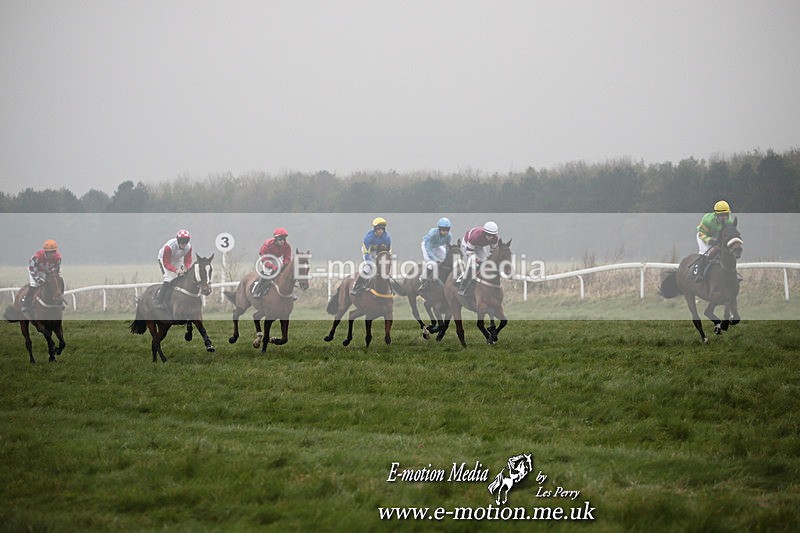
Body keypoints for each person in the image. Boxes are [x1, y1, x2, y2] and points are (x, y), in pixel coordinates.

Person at [351, 217, 391, 296]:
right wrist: (371, 263)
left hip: (378, 253)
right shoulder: (368, 237)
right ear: (375, 229)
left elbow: (388, 252)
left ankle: (390, 288)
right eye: (379, 229)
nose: (381, 231)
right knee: (368, 268)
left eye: (382, 229)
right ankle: (356, 287)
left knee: (384, 268)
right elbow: (366, 253)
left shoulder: (387, 238)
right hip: (368, 252)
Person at [458, 221, 499, 296]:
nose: (491, 237)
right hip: (468, 243)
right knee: (473, 264)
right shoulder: (476, 237)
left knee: (484, 261)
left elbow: (493, 251)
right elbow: (469, 251)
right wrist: (477, 261)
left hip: (479, 246)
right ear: (485, 233)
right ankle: (462, 286)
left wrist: (488, 259)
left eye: (493, 235)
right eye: (489, 235)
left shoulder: (495, 239)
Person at [694, 200, 732, 280]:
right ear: (716, 214)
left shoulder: (729, 222)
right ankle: (699, 274)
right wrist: (709, 240)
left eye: (726, 214)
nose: (724, 217)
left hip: (717, 239)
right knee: (705, 253)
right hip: (703, 236)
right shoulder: (707, 219)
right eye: (722, 215)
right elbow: (701, 233)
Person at [22, 239, 62, 314]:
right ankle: (26, 304)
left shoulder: (58, 258)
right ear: (46, 251)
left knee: (56, 283)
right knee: (34, 285)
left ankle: (59, 300)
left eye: (54, 251)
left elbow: (57, 269)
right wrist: (38, 280)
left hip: (47, 272)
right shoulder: (36, 257)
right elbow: (32, 270)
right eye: (50, 252)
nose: (52, 254)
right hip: (35, 271)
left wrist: (54, 277)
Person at [155, 229, 193, 308]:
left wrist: (187, 267)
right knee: (169, 278)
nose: (184, 243)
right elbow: (166, 263)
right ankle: (159, 300)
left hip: (177, 258)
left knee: (181, 276)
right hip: (164, 259)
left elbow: (188, 260)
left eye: (186, 240)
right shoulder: (169, 247)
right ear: (178, 240)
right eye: (182, 241)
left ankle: (177, 298)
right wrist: (175, 270)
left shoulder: (188, 247)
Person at [253, 227, 292, 296]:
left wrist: (285, 264)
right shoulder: (268, 245)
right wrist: (272, 267)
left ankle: (288, 293)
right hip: (265, 258)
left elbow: (287, 257)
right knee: (268, 272)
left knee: (283, 272)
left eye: (284, 239)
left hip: (276, 258)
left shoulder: (287, 246)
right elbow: (264, 259)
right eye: (280, 239)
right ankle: (258, 290)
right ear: (276, 239)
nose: (282, 241)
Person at [418, 217, 452, 293]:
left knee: (445, 260)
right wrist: (435, 259)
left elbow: (447, 248)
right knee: (432, 263)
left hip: (437, 246)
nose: (445, 232)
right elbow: (428, 249)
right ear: (439, 229)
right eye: (443, 230)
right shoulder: (432, 234)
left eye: (447, 230)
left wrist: (446, 258)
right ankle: (423, 280)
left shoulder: (449, 236)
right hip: (427, 246)